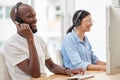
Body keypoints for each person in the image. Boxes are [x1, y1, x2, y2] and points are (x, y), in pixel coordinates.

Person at [3, 2, 85, 80]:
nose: (35, 19)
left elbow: (51, 65)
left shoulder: (38, 39)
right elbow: (35, 74)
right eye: (30, 16)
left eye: (35, 16)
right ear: (18, 22)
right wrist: (30, 39)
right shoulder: (11, 45)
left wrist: (66, 71)